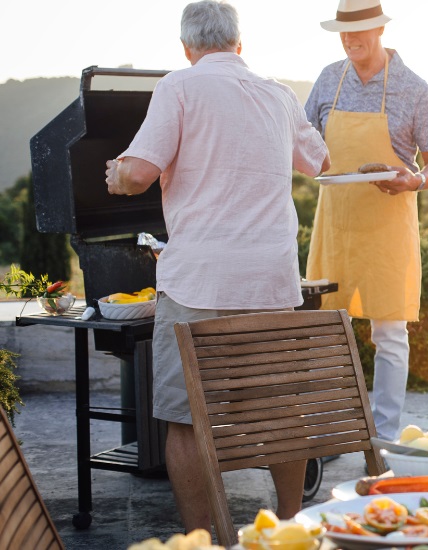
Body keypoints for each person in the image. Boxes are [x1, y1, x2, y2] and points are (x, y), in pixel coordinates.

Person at [103, 0, 330, 532]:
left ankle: (204, 541)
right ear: (239, 44)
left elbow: (138, 174)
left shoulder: (179, 86)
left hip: (200, 281)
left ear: (187, 48)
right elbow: (319, 162)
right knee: (280, 410)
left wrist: (115, 173)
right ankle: (293, 528)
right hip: (273, 282)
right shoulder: (278, 93)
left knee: (185, 420)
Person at [305, 0, 428, 440]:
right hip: (335, 223)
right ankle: (330, 433)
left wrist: (415, 181)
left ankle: (384, 437)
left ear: (380, 30)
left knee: (389, 332)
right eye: (343, 33)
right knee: (327, 331)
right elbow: (300, 138)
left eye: (359, 31)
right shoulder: (330, 78)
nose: (350, 40)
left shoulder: (413, 87)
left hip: (389, 223)